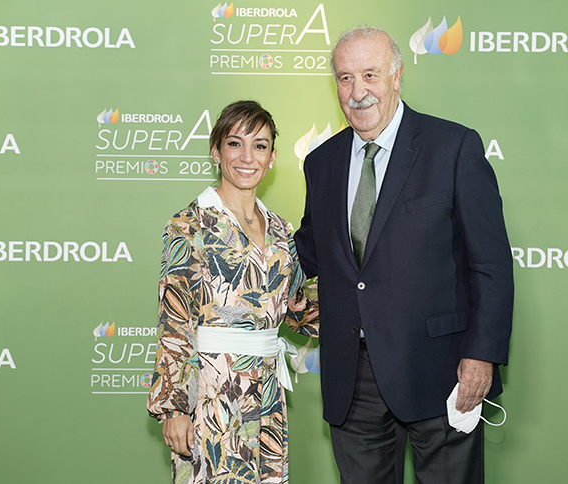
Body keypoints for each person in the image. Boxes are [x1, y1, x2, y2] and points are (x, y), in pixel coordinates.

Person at [294, 27, 514, 484]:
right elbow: (311, 253)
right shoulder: (321, 162)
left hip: (442, 371)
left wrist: (482, 355)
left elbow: (490, 265)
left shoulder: (453, 148)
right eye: (345, 78)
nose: (358, 92)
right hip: (352, 380)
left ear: (396, 76)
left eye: (370, 74)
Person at [147, 100, 318, 484]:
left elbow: (296, 308)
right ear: (216, 150)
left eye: (259, 145)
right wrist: (173, 407)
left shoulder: (280, 230)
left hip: (268, 391)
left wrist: (371, 304)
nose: (247, 157)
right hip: (212, 391)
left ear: (272, 157)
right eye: (235, 143)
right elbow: (174, 320)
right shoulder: (190, 224)